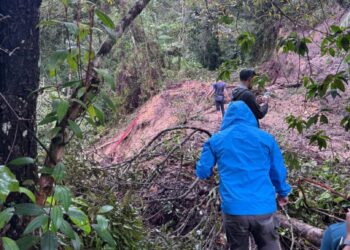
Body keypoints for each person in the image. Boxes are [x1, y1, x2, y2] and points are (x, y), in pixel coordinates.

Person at [196, 101, 291, 250]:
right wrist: (283, 192)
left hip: (234, 209)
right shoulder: (266, 139)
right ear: (250, 117)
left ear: (227, 118)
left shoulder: (215, 140)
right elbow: (277, 170)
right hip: (263, 208)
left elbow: (202, 172)